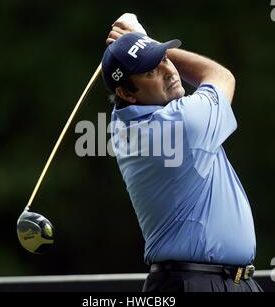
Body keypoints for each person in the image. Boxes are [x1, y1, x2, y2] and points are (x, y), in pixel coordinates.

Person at [101, 15, 263, 292]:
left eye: (163, 59)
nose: (169, 70)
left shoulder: (121, 124)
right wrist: (150, 41)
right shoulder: (182, 123)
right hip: (197, 283)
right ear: (127, 93)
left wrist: (140, 47)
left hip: (214, 280)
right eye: (150, 71)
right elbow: (220, 76)